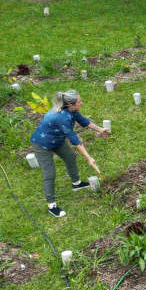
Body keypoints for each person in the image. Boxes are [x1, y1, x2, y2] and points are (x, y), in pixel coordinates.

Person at [30, 90, 109, 218]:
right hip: (42, 143)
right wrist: (89, 158)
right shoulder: (62, 117)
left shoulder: (71, 110)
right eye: (79, 102)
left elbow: (84, 121)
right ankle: (51, 205)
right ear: (71, 105)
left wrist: (101, 129)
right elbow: (74, 139)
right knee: (49, 173)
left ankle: (76, 183)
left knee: (71, 157)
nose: (81, 103)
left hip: (57, 140)